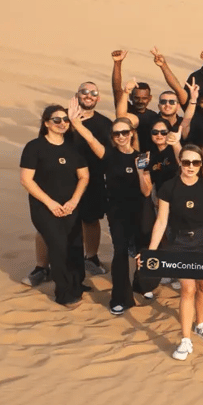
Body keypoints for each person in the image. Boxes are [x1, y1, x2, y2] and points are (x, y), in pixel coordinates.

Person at [69, 111, 153, 314]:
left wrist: (140, 172)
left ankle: (142, 285)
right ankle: (121, 298)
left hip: (141, 210)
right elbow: (89, 138)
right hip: (117, 212)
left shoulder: (141, 157)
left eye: (124, 132)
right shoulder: (108, 154)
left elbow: (147, 191)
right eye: (116, 134)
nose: (121, 137)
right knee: (121, 251)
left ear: (132, 133)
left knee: (143, 249)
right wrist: (74, 121)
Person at [144, 145, 203, 360]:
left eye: (196, 163)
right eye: (186, 162)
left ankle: (201, 323)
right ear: (180, 162)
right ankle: (185, 339)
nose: (191, 167)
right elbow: (161, 221)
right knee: (188, 288)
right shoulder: (168, 187)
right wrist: (152, 251)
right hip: (178, 242)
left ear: (201, 164)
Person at [20, 105, 89, 307]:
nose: (62, 123)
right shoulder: (34, 147)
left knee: (75, 245)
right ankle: (64, 293)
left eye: (66, 120)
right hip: (45, 208)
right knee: (58, 247)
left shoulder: (73, 147)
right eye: (57, 120)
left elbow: (84, 176)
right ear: (46, 123)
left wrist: (74, 201)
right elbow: (26, 180)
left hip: (71, 206)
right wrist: (50, 203)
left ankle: (77, 284)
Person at [67, 82, 112, 276]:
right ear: (77, 95)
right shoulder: (63, 118)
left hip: (94, 178)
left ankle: (91, 257)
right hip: (65, 178)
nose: (88, 95)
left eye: (93, 93)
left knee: (91, 219)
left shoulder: (105, 123)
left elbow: (107, 154)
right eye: (84, 92)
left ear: (98, 98)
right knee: (60, 219)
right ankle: (45, 265)